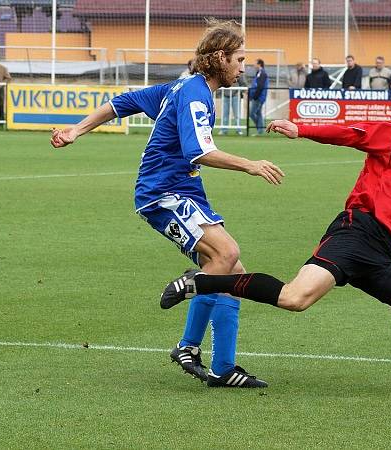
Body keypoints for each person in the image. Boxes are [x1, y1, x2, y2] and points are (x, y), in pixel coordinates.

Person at [163, 97, 391, 405]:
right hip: (354, 233)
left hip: (381, 255)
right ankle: (202, 282)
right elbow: (351, 134)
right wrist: (301, 129)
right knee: (295, 298)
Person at [50, 19, 285, 388]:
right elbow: (200, 150)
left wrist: (77, 130)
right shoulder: (193, 92)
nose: (243, 68)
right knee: (226, 255)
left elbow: (122, 102)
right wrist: (251, 165)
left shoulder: (183, 87)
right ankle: (189, 340)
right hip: (163, 194)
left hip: (182, 191)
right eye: (239, 59)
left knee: (232, 270)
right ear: (219, 57)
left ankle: (221, 368)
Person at [249, 58, 268, 135]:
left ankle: (260, 129)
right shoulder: (259, 73)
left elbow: (260, 86)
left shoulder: (262, 74)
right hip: (258, 96)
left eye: (255, 63)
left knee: (252, 113)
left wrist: (255, 96)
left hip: (259, 97)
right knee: (258, 113)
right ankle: (261, 130)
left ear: (259, 64)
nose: (254, 65)